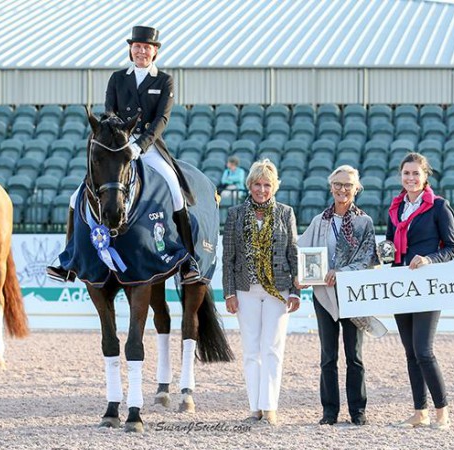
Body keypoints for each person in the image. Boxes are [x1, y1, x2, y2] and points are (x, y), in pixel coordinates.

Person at [47, 25, 201, 283]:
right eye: (137, 47)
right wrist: (121, 140)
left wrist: (139, 145)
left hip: (148, 147)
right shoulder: (118, 78)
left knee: (175, 191)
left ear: (154, 52)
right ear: (131, 49)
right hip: (118, 146)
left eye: (146, 48)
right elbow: (109, 112)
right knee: (76, 198)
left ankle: (188, 261)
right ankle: (68, 261)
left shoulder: (164, 80)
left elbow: (162, 118)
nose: (141, 51)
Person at [297, 165, 379, 426]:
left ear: (357, 189)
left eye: (348, 185)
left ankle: (358, 410)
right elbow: (303, 251)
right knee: (328, 356)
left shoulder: (364, 222)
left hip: (352, 295)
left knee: (354, 356)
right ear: (331, 187)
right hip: (324, 295)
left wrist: (341, 272)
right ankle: (329, 411)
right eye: (338, 184)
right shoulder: (319, 221)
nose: (343, 189)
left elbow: (369, 259)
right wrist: (301, 275)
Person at [222, 159, 300, 426]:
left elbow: (293, 252)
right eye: (257, 184)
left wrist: (296, 291)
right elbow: (228, 257)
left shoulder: (285, 213)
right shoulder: (235, 214)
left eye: (267, 184)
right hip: (245, 290)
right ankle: (255, 406)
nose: (262, 189)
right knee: (251, 350)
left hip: (278, 289)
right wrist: (229, 293)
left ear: (274, 186)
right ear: (250, 185)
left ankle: (270, 407)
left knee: (273, 348)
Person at [385, 152, 454, 430]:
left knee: (424, 351)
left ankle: (442, 411)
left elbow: (452, 248)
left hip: (427, 287)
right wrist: (384, 252)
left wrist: (428, 259)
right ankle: (420, 411)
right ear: (400, 176)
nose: (411, 178)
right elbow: (392, 246)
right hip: (400, 286)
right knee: (410, 353)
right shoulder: (394, 208)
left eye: (416, 173)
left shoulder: (439, 206)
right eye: (406, 173)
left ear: (425, 176)